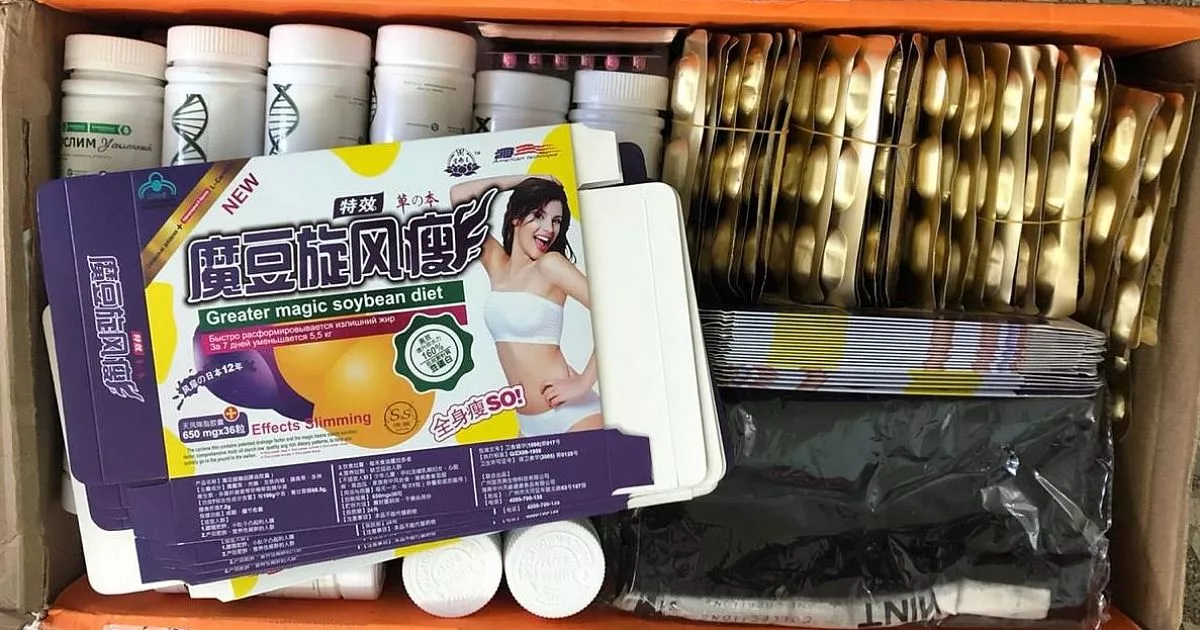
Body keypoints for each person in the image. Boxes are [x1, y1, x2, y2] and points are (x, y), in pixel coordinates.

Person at [450, 175, 602, 437]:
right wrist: (527, 180)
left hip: (573, 416)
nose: (548, 229)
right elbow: (459, 196)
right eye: (538, 215)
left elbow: (612, 312)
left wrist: (583, 383)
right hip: (527, 425)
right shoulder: (496, 263)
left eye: (556, 220)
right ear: (516, 217)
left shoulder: (550, 265)